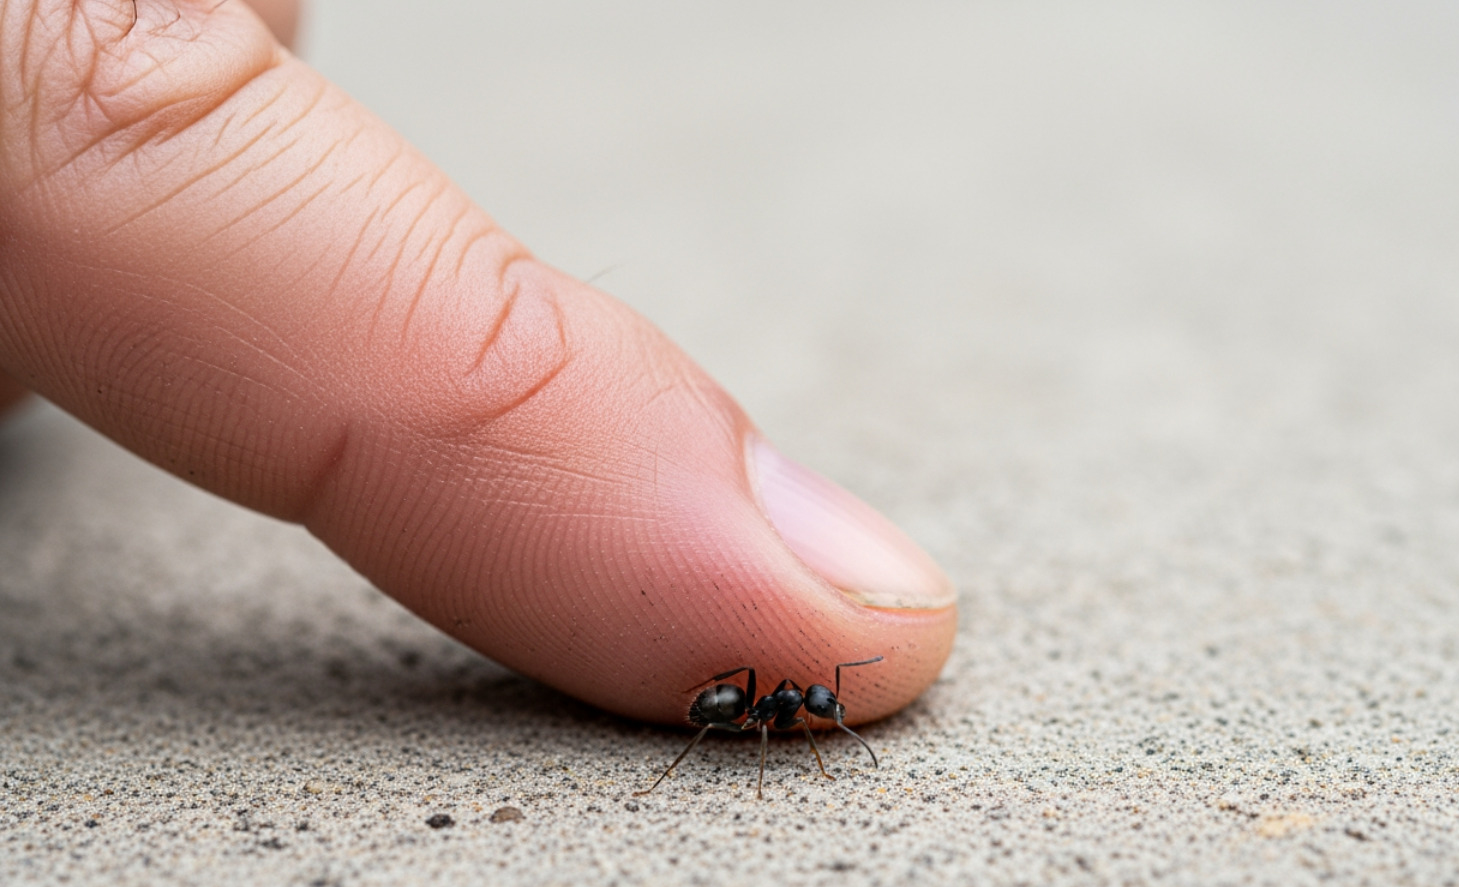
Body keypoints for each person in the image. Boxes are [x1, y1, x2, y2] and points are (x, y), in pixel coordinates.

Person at [0, 0, 954, 724]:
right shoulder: (760, 692)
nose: (813, 708)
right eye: (815, 704)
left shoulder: (770, 694)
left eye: (813, 704)